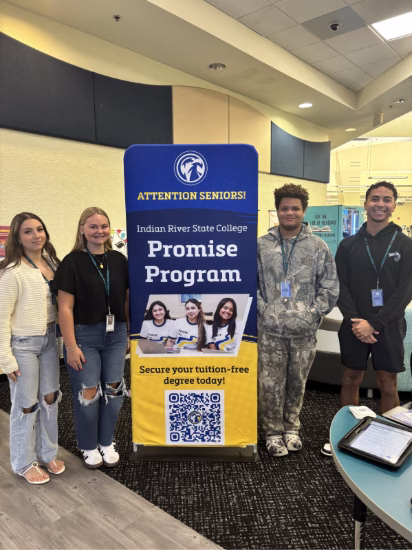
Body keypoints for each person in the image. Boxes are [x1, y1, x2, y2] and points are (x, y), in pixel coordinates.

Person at [258, 184, 339, 458]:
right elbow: (250, 284)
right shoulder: (262, 245)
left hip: (304, 331)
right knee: (270, 382)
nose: (289, 213)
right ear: (277, 211)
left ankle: (291, 426)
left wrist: (313, 314)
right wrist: (263, 310)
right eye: (284, 208)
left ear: (304, 211)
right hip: (270, 330)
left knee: (297, 380)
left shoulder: (318, 247)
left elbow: (329, 286)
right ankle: (272, 431)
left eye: (295, 208)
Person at [53, 207, 129, 469]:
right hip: (83, 334)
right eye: (93, 226)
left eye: (104, 226)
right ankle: (88, 445)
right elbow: (64, 308)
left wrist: (128, 332)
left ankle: (106, 441)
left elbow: (127, 299)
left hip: (116, 333)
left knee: (114, 390)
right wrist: (70, 346)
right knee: (88, 394)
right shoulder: (72, 262)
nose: (100, 231)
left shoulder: (119, 260)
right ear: (82, 229)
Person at [337, 182, 412, 415]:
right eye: (375, 198)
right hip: (355, 324)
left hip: (388, 325)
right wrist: (358, 323)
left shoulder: (405, 244)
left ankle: (389, 439)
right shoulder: (348, 245)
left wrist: (375, 323)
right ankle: (345, 433)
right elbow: (340, 286)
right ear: (365, 204)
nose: (380, 204)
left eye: (387, 199)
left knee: (387, 384)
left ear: (394, 206)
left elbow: (405, 290)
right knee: (350, 379)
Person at [0, 213, 64, 484]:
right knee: (25, 405)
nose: (36, 235)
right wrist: (6, 359)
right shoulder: (11, 272)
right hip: (24, 344)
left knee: (50, 398)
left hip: (50, 339)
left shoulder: (52, 263)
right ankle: (23, 462)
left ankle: (47, 452)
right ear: (17, 237)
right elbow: (2, 317)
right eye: (28, 231)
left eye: (40, 229)